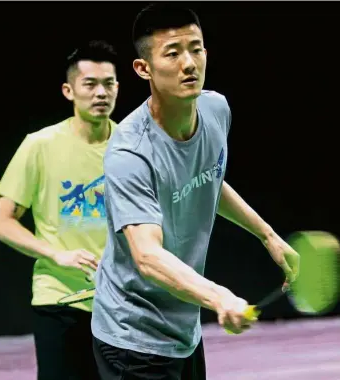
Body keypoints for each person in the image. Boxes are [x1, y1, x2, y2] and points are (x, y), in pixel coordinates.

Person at [91, 4, 300, 380]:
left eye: (196, 48)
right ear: (144, 69)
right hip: (133, 337)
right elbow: (147, 255)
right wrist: (219, 297)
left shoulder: (216, 109)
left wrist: (267, 235)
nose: (189, 63)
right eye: (172, 53)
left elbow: (207, 179)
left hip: (184, 328)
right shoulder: (129, 152)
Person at [0, 40, 119, 380]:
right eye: (90, 84)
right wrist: (56, 255)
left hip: (121, 303)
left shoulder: (132, 147)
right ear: (68, 90)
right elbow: (3, 223)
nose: (101, 93)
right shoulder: (39, 145)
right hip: (59, 299)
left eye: (109, 83)